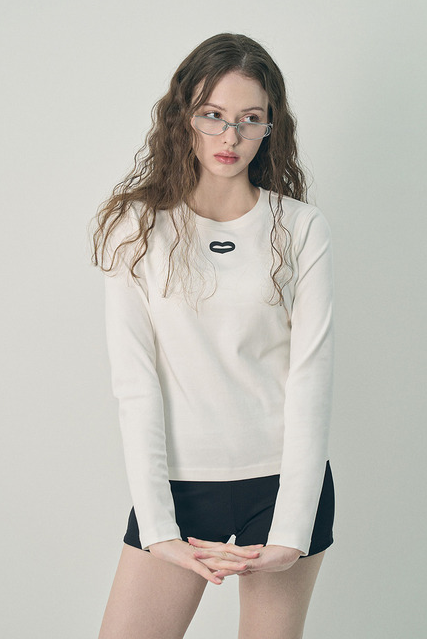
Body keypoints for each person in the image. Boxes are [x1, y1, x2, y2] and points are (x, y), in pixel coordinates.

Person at [91, 32, 335, 639]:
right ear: (183, 117)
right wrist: (158, 529)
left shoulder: (300, 227)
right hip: (180, 486)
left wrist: (292, 530)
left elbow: (311, 378)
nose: (230, 137)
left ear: (270, 126)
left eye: (250, 119)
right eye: (213, 115)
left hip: (282, 484)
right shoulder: (135, 228)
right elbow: (135, 385)